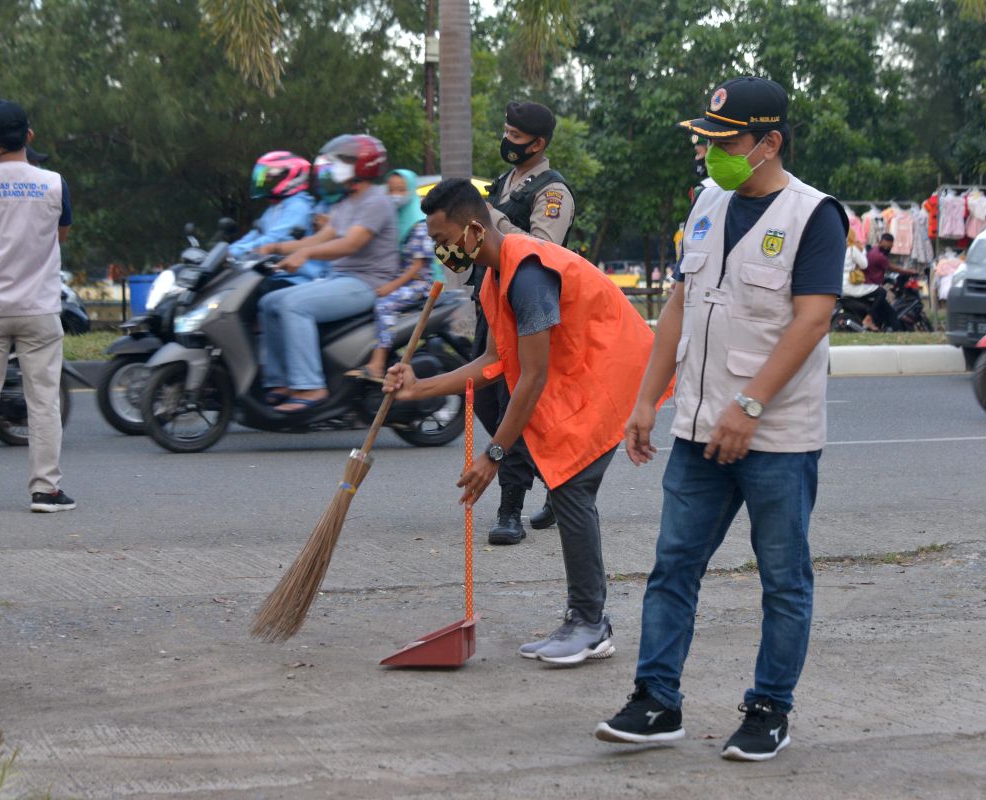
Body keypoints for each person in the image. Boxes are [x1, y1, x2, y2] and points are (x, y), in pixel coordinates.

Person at [595, 76, 847, 762]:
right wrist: (647, 397)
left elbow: (813, 318)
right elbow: (680, 303)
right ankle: (657, 700)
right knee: (672, 567)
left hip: (776, 438)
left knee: (783, 578)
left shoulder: (814, 215)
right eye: (705, 140)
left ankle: (769, 708)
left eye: (724, 141)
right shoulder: (708, 201)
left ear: (769, 143)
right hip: (698, 431)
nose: (710, 153)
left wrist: (751, 406)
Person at [383, 177, 657, 664]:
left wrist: (493, 457)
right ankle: (588, 620)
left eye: (444, 241)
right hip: (576, 377)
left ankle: (590, 624)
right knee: (571, 492)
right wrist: (417, 389)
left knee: (571, 491)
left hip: (610, 374)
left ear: (472, 230)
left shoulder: (527, 271)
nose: (441, 251)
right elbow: (493, 362)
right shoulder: (493, 278)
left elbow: (529, 377)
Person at [0, 100, 75, 512]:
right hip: (38, 308)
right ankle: (45, 490)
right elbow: (60, 235)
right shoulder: (54, 183)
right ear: (29, 136)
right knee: (43, 400)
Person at [475, 101, 575, 544]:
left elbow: (543, 249)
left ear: (539, 144)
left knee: (511, 400)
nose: (507, 142)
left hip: (526, 311)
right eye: (506, 132)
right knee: (484, 399)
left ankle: (510, 508)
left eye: (516, 137)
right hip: (490, 306)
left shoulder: (553, 192)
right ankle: (558, 478)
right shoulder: (503, 183)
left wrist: (490, 220)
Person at [255, 134, 400, 413]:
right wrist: (274, 247)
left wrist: (305, 254)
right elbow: (320, 238)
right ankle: (281, 382)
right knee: (268, 302)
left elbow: (350, 243)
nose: (334, 167)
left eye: (342, 161)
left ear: (363, 164)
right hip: (339, 280)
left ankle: (311, 386)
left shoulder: (376, 201)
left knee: (292, 305)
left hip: (366, 283)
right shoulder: (345, 203)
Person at [351, 170, 436, 381]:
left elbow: (417, 265)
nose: (395, 194)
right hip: (398, 280)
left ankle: (377, 364)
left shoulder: (418, 222)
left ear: (410, 189)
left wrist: (391, 286)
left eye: (400, 189)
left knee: (384, 304)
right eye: (390, 189)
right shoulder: (393, 219)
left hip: (419, 284)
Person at [228, 151, 322, 284]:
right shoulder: (274, 208)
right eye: (261, 176)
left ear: (291, 177)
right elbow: (255, 234)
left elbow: (276, 238)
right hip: (273, 275)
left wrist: (235, 253)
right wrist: (226, 252)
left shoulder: (298, 206)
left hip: (296, 278)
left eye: (268, 176)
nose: (263, 181)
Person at [862, 233, 917, 331]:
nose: (887, 249)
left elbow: (877, 270)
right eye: (886, 247)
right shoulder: (879, 256)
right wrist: (910, 272)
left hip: (870, 284)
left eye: (889, 247)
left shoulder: (874, 250)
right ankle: (897, 332)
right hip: (872, 287)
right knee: (891, 313)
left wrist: (886, 279)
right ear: (881, 242)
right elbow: (893, 268)